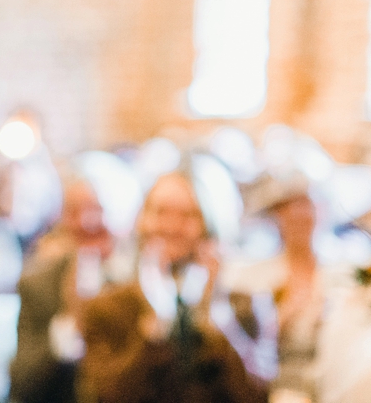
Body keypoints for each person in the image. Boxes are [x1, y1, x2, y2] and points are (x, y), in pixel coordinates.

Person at [76, 171, 269, 403]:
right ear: (142, 221)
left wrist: (217, 318)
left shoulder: (244, 304)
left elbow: (256, 394)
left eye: (187, 215)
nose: (172, 226)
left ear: (208, 226)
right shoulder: (108, 308)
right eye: (161, 212)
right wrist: (155, 325)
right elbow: (106, 395)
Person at [228, 173, 340, 402]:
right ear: (276, 216)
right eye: (290, 208)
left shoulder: (340, 272)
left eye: (305, 205)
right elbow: (246, 345)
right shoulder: (255, 276)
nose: (299, 215)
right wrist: (286, 313)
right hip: (280, 381)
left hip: (334, 375)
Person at [10, 179, 119, 403]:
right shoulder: (36, 283)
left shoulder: (126, 278)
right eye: (74, 212)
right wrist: (69, 319)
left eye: (95, 210)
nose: (86, 221)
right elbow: (23, 383)